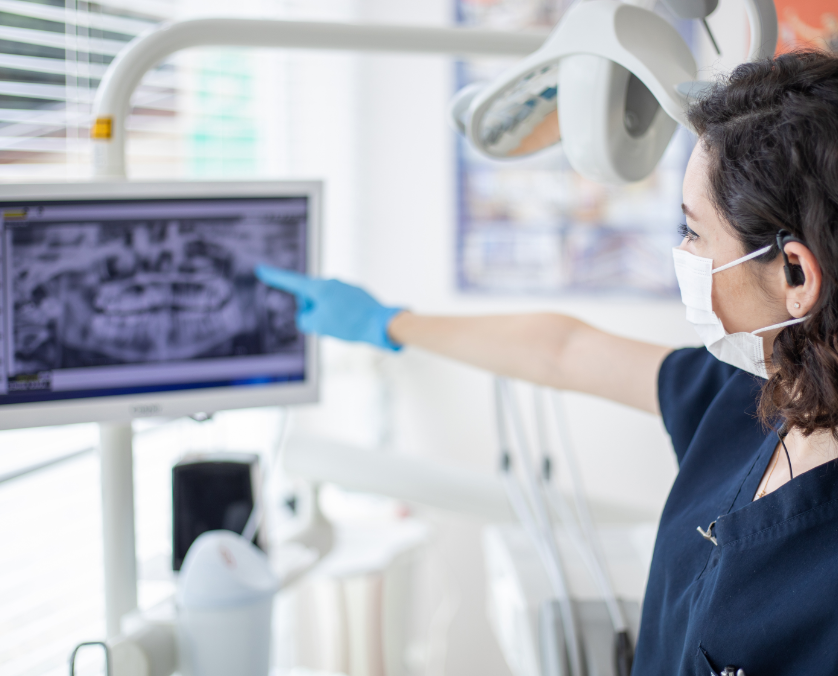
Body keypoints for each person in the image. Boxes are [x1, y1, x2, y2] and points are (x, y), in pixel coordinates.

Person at [257, 51, 838, 675]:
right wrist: (388, 323)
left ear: (796, 275)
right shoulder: (752, 394)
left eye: (692, 232)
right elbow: (564, 351)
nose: (681, 254)